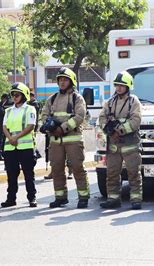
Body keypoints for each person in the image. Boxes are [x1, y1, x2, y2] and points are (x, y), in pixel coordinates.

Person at [41, 67, 89, 208]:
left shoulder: (77, 98)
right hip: (55, 141)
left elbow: (80, 116)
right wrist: (49, 126)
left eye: (65, 80)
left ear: (71, 81)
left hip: (73, 139)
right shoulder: (52, 99)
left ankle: (83, 197)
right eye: (60, 80)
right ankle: (60, 197)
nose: (62, 82)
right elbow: (44, 115)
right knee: (56, 169)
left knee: (77, 168)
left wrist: (62, 128)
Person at [98, 71, 142, 210]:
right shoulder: (110, 102)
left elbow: (136, 120)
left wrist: (120, 130)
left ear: (128, 86)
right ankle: (113, 199)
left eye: (122, 86)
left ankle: (136, 199)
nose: (118, 88)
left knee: (133, 173)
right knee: (112, 173)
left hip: (130, 145)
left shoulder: (133, 102)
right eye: (117, 85)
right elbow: (102, 118)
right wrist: (109, 130)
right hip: (113, 145)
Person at [0, 82, 38, 208]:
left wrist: (16, 137)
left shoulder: (30, 109)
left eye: (17, 95)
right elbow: (4, 126)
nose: (15, 97)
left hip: (25, 147)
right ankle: (11, 198)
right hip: (10, 147)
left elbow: (31, 126)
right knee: (11, 175)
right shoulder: (8, 110)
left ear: (24, 95)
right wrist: (10, 138)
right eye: (13, 95)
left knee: (28, 174)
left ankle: (32, 198)